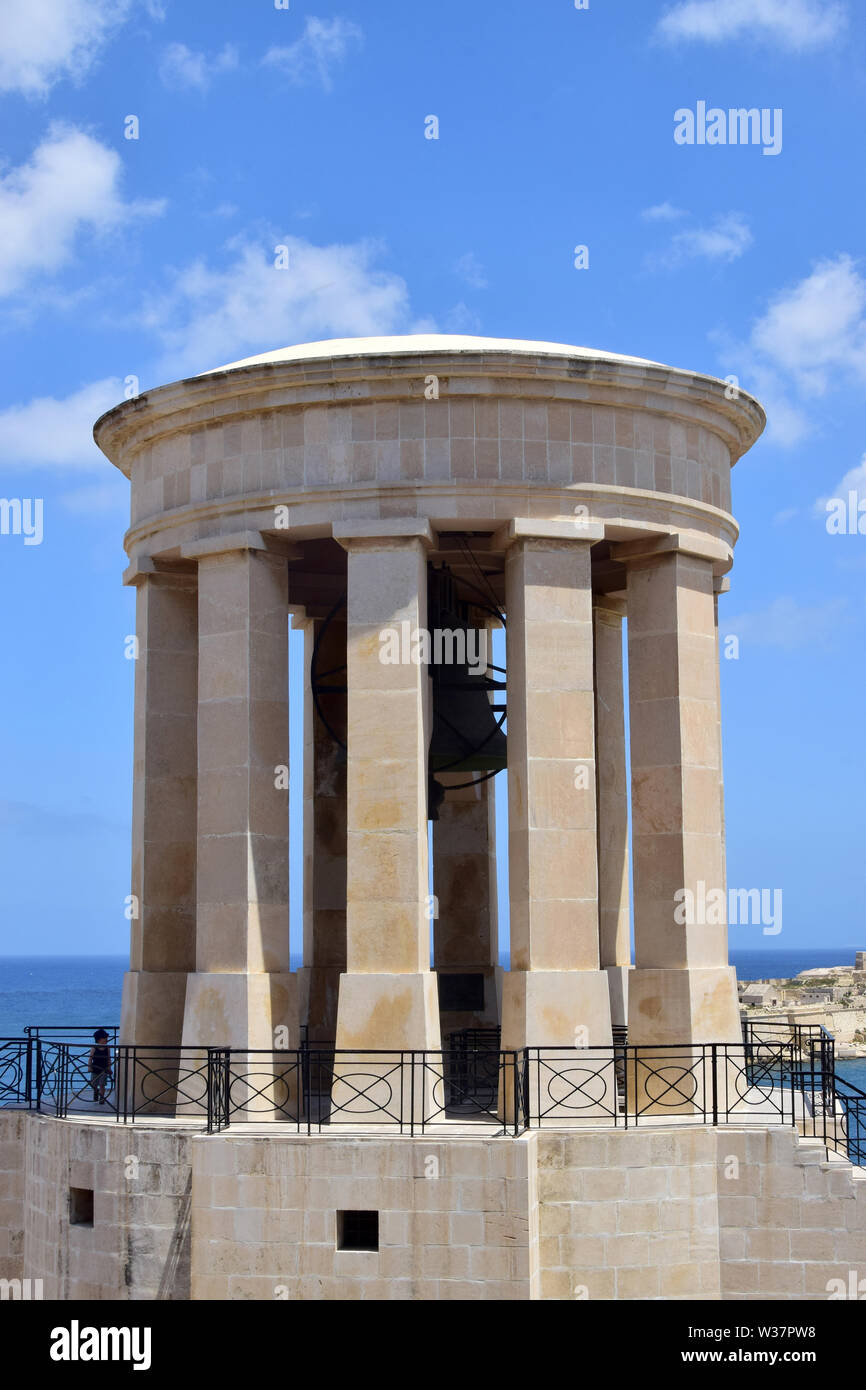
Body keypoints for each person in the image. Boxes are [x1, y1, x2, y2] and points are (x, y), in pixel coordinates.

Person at [88, 1029, 112, 1104]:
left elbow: (108, 1058)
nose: (106, 1040)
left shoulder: (107, 1048)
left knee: (102, 1084)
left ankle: (102, 1098)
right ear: (99, 1039)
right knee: (94, 1084)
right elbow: (90, 1058)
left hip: (103, 1069)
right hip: (95, 1068)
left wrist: (109, 1068)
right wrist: (89, 1067)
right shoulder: (94, 1048)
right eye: (104, 1038)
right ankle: (96, 1092)